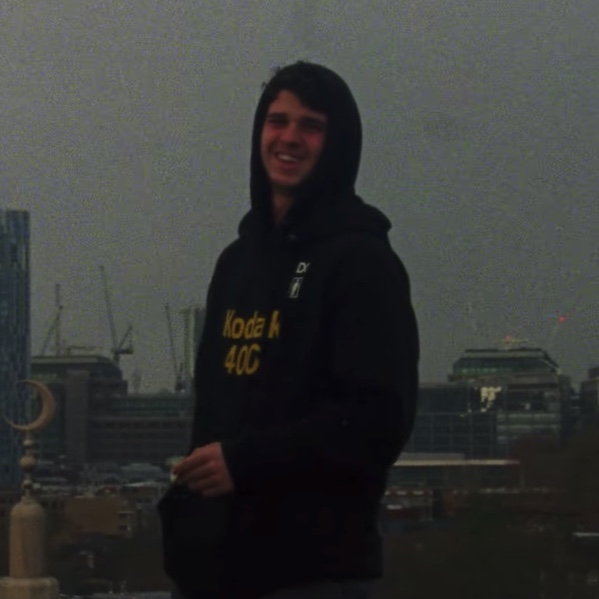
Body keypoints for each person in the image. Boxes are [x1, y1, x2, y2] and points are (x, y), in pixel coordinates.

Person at [158, 61, 419, 599]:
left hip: (312, 571)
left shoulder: (363, 262)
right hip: (215, 570)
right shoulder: (235, 264)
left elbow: (377, 421)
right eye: (277, 121)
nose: (289, 138)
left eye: (311, 126)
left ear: (338, 145)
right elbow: (214, 414)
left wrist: (246, 462)